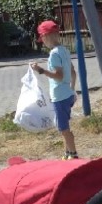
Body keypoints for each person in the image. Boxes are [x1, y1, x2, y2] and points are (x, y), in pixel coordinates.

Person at [31, 21, 78, 159]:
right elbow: (73, 72)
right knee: (64, 126)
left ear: (46, 36)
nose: (43, 42)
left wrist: (41, 70)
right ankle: (68, 152)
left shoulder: (53, 54)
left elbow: (59, 76)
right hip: (67, 94)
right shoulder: (64, 50)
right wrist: (72, 90)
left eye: (42, 39)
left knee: (63, 128)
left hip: (60, 96)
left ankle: (74, 154)